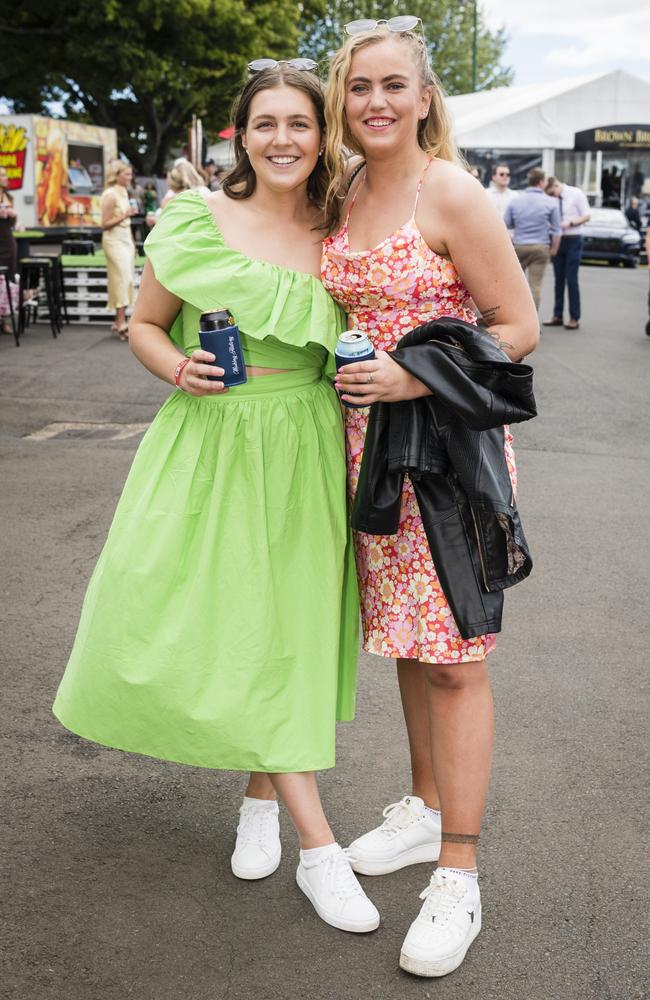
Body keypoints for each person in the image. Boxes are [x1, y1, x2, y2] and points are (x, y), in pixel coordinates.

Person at [52, 62, 379, 936]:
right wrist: (177, 367)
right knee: (233, 622)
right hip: (210, 443)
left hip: (310, 442)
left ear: (323, 135)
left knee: (293, 630)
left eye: (300, 125)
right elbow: (146, 325)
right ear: (241, 134)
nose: (282, 139)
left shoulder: (345, 228)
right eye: (264, 123)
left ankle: (261, 802)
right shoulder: (200, 219)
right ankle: (321, 850)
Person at [321, 22, 539, 978]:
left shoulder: (448, 188)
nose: (376, 101)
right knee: (406, 645)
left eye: (393, 86)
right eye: (359, 86)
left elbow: (518, 325)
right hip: (365, 457)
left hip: (446, 455)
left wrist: (414, 379)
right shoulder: (344, 192)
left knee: (455, 658)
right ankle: (419, 808)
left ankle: (461, 870)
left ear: (422, 97)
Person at [504, 167, 561, 312]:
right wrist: (553, 250)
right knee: (535, 286)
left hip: (519, 246)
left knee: (515, 286)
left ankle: (515, 317)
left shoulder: (515, 201)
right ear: (541, 182)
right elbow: (557, 230)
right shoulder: (551, 203)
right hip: (540, 247)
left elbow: (507, 224)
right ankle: (533, 323)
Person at [543, 176, 590, 330]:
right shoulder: (551, 198)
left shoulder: (576, 194)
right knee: (558, 280)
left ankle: (574, 317)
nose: (551, 196)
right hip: (558, 239)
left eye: (552, 193)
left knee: (571, 279)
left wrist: (570, 223)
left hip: (573, 238)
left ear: (557, 184)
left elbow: (586, 215)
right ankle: (557, 315)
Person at [100, 160, 137, 340]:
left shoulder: (123, 192)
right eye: (127, 174)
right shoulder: (111, 195)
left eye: (131, 174)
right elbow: (104, 224)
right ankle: (122, 321)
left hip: (125, 240)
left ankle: (119, 320)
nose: (130, 177)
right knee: (123, 278)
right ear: (117, 175)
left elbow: (125, 223)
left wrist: (132, 242)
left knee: (125, 279)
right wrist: (125, 214)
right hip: (113, 241)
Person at [0, 165, 19, 333]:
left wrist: (15, 219)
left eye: (5, 175)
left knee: (9, 279)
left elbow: (12, 222)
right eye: (2, 175)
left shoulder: (8, 196)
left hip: (8, 241)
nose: (5, 178)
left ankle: (6, 319)